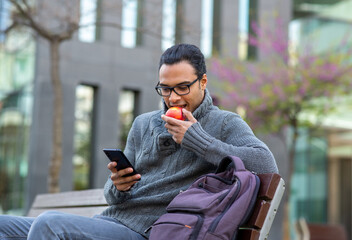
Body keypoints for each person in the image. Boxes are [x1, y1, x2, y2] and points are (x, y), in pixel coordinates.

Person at [0, 43, 278, 239]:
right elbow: (112, 195)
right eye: (165, 89)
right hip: (112, 222)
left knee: (51, 225)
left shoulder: (224, 123)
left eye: (183, 87)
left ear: (203, 82)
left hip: (151, 231)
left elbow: (266, 163)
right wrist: (118, 185)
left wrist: (197, 139)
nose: (174, 97)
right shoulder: (144, 123)